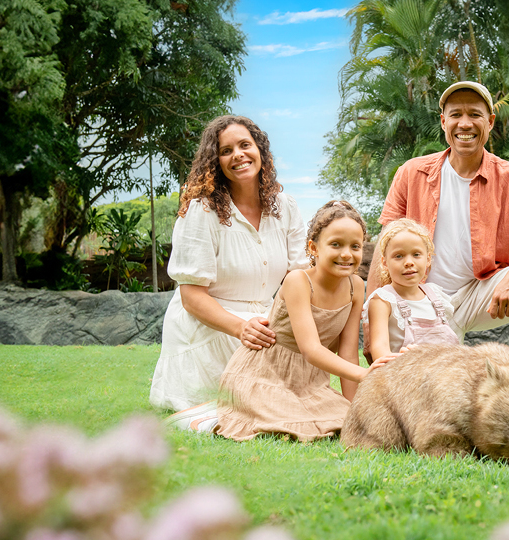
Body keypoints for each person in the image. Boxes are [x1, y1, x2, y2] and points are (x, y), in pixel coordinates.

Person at [369, 80, 509, 412]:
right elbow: (384, 248)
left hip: (483, 296)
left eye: (475, 115)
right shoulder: (411, 173)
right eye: (456, 115)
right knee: (427, 407)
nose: (465, 124)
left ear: (490, 122)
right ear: (443, 122)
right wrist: (371, 317)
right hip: (421, 301)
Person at [176, 201, 388, 440]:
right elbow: (311, 350)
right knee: (287, 424)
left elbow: (348, 353)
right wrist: (363, 374)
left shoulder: (356, 286)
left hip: (309, 382)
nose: (347, 254)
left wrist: (354, 409)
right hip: (265, 375)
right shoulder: (298, 281)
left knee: (340, 420)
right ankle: (204, 418)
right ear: (314, 248)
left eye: (355, 246)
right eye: (336, 244)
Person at [149, 115, 307, 413]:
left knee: (297, 394)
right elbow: (191, 297)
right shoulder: (201, 210)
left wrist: (286, 325)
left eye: (245, 145)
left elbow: (298, 277)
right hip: (212, 324)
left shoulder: (285, 207)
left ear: (260, 150)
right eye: (226, 151)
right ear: (215, 162)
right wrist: (241, 327)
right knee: (253, 408)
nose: (238, 155)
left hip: (264, 320)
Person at [362, 217, 458, 362]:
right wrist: (402, 358)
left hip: (445, 373)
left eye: (416, 254)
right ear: (385, 263)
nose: (408, 262)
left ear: (428, 259)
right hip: (404, 372)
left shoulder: (436, 296)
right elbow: (379, 351)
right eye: (399, 256)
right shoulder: (383, 300)